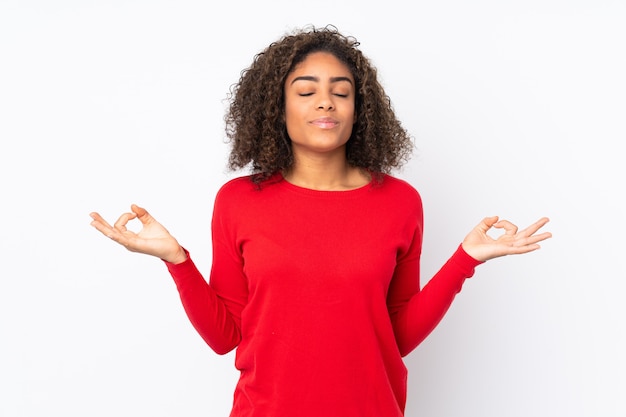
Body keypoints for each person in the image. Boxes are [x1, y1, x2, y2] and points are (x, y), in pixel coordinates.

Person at [89, 25, 551, 417]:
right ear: (277, 107)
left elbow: (396, 336)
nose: (325, 103)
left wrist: (465, 259)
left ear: (359, 110)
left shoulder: (400, 202)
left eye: (341, 92)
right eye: (307, 91)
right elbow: (224, 336)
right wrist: (176, 259)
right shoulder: (238, 201)